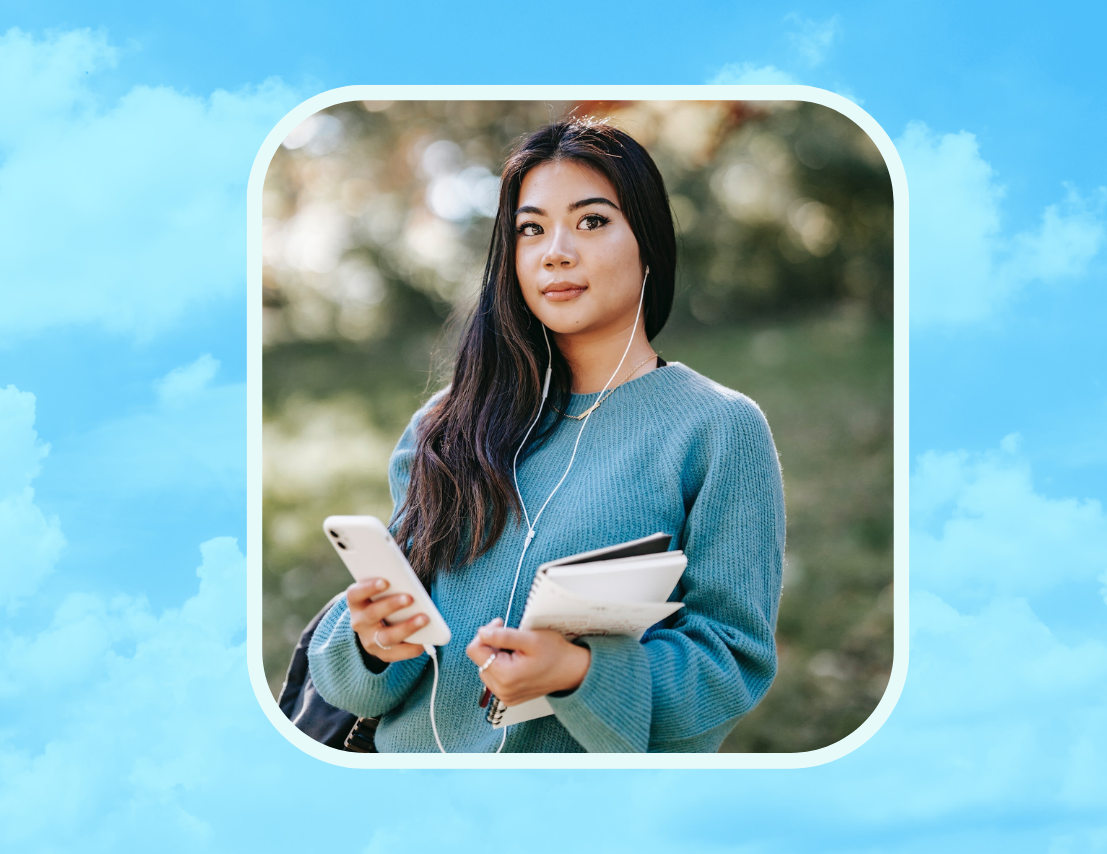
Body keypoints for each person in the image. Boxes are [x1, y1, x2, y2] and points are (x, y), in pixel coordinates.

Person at [307, 116, 786, 753]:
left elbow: (730, 664)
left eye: (592, 221)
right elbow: (358, 690)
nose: (555, 250)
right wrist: (372, 643)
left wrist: (579, 672)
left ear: (648, 242)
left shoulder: (718, 429)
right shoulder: (446, 424)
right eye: (531, 229)